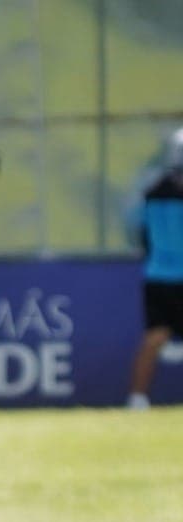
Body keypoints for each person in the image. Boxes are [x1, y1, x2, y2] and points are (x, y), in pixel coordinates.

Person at [124, 127, 183, 410]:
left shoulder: (151, 190)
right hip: (169, 275)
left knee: (154, 338)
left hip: (158, 274)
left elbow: (139, 231)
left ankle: (137, 400)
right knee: (155, 339)